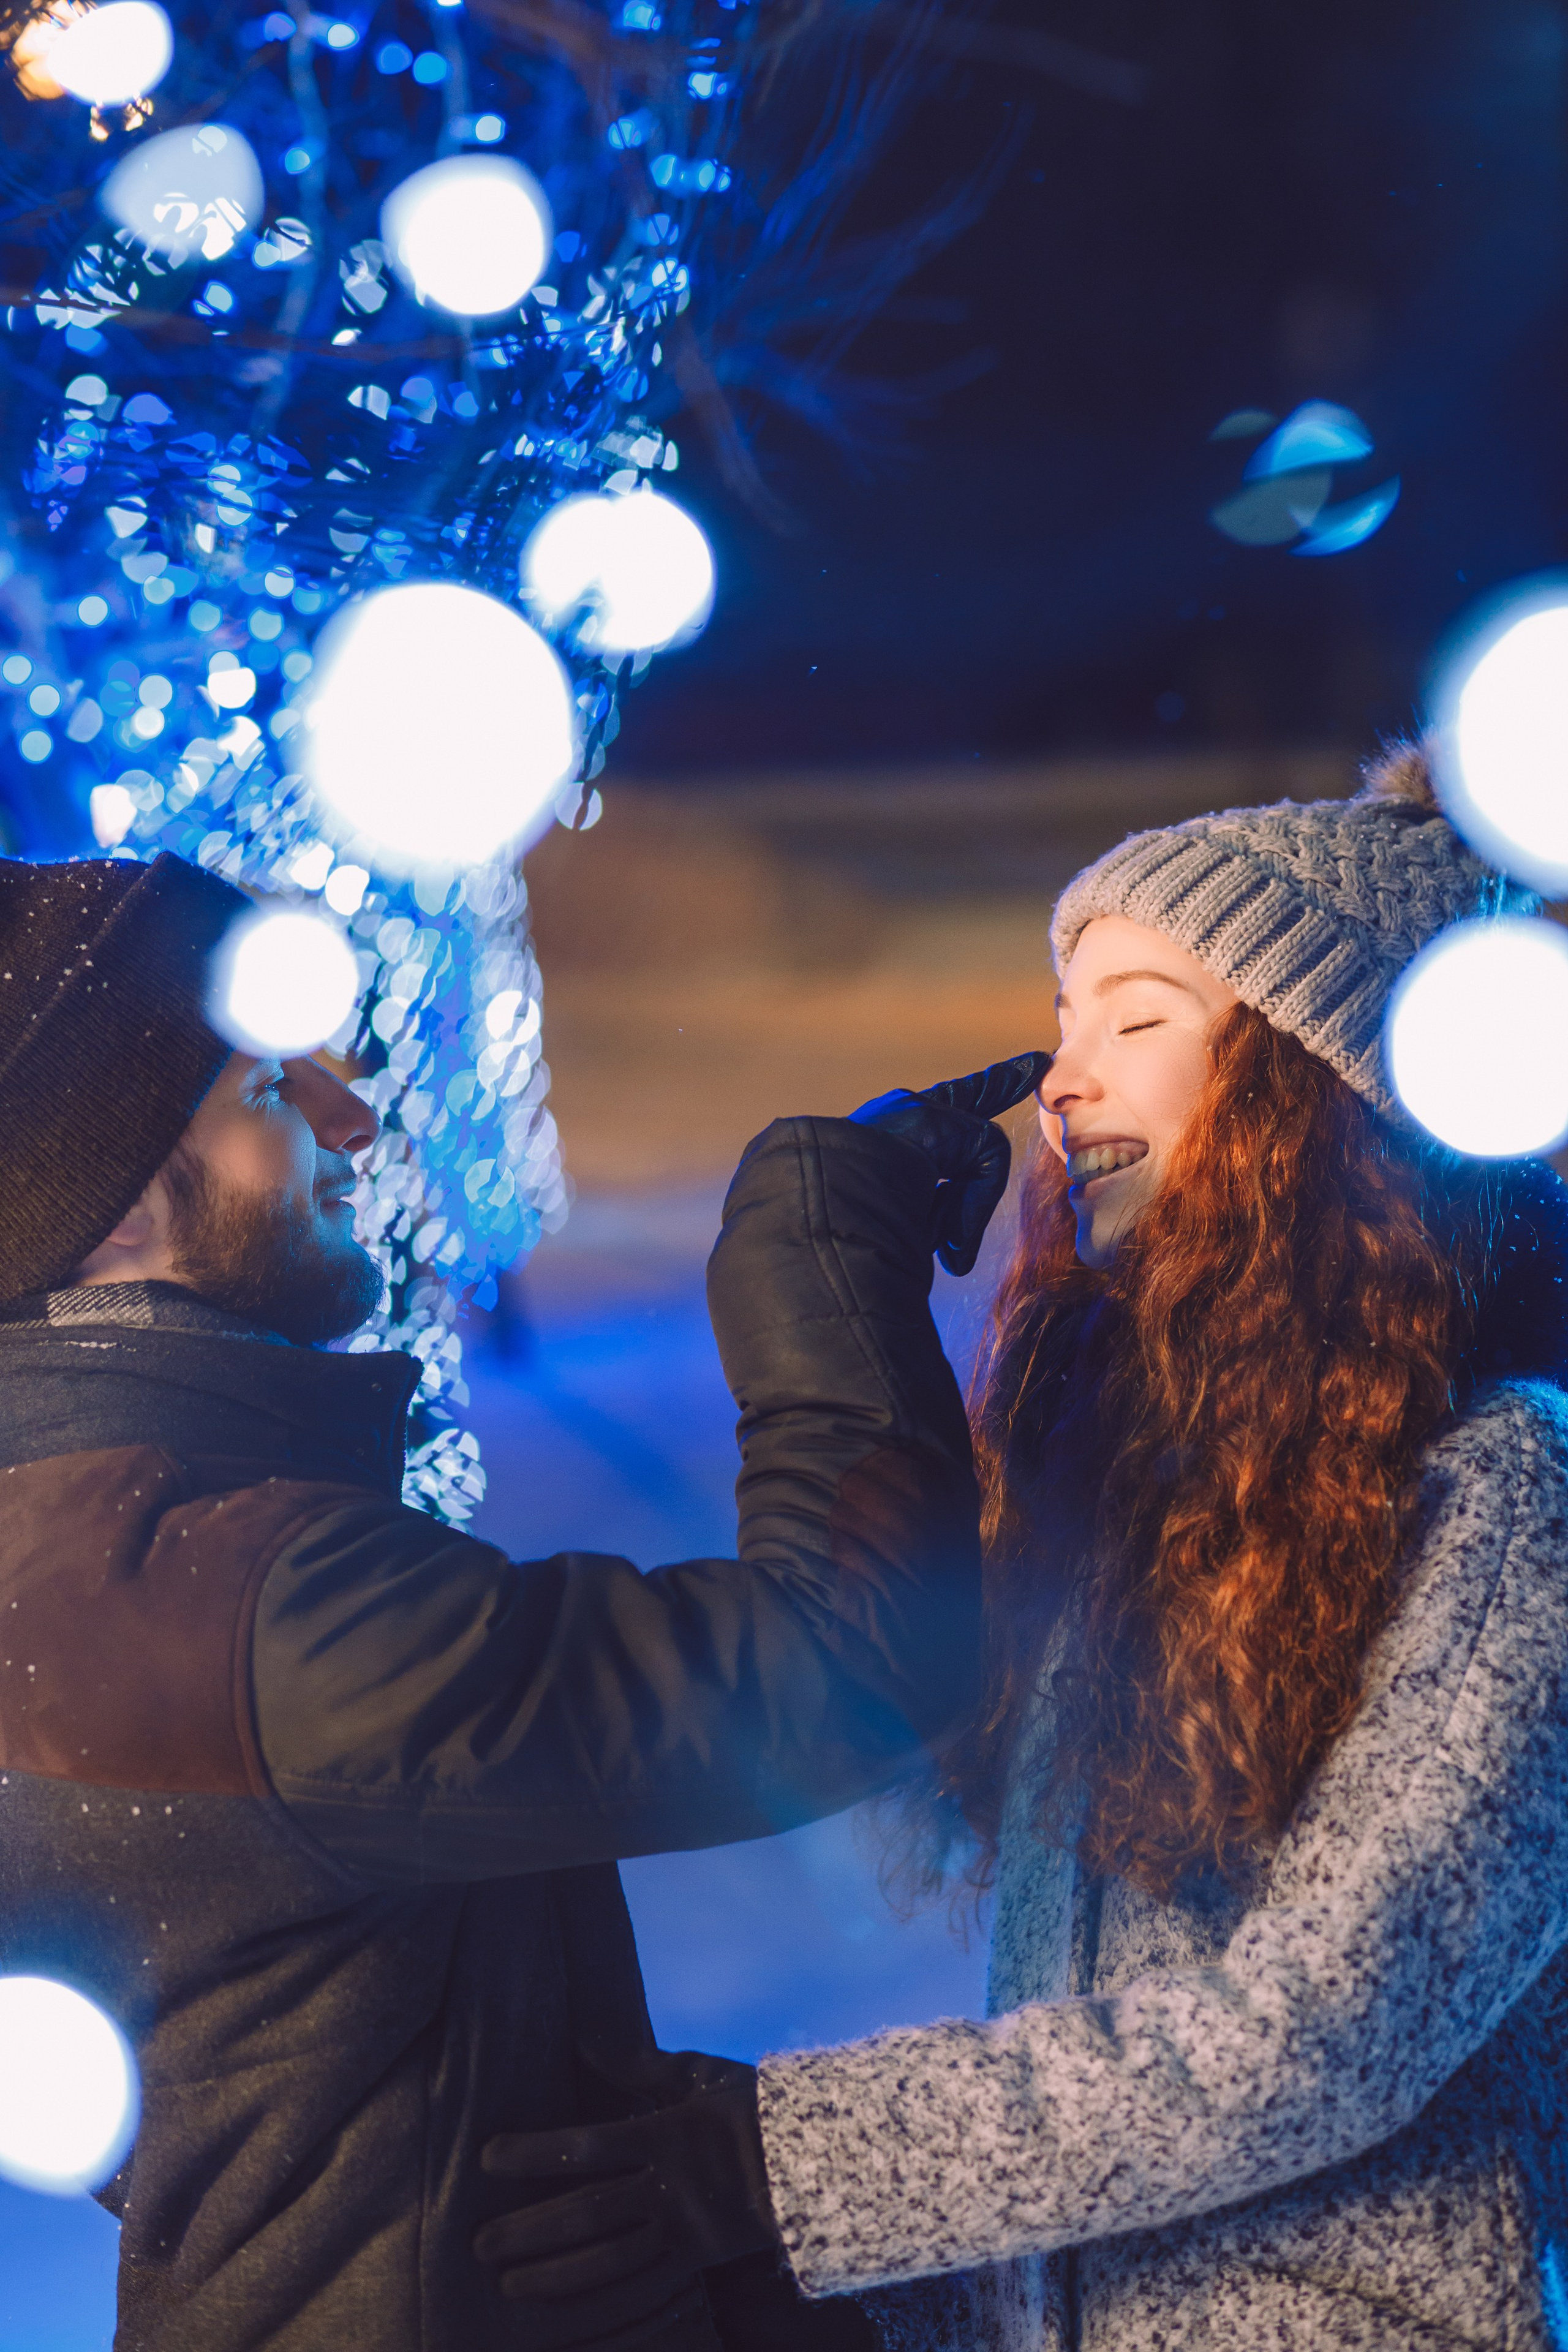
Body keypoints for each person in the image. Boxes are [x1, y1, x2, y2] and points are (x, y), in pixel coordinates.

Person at [491, 744, 1568, 2352]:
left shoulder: (1502, 1502)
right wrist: (841, 1322)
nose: (1064, 1083)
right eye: (1064, 1024)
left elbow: (1318, 2034)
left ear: (1310, 1090)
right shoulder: (1153, 1502)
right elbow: (870, 1754)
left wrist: (770, 2171)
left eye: (1136, 1019)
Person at [0, 846, 1046, 2352]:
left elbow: (202, 2035)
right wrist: (814, 1249)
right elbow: (847, 1666)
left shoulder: (59, 1547)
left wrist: (470, 2119)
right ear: (105, 1203)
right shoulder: (241, 1599)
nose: (350, 1117)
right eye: (262, 1092)